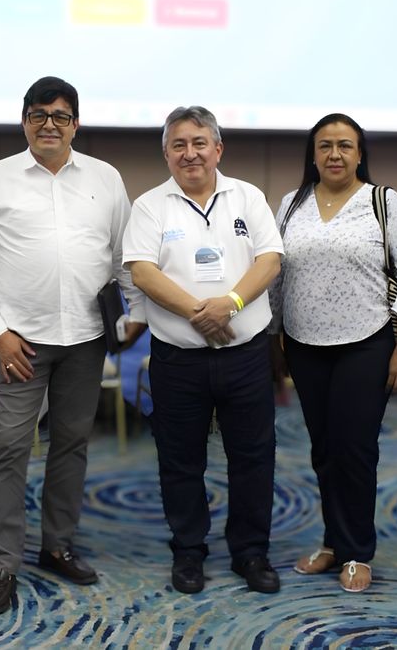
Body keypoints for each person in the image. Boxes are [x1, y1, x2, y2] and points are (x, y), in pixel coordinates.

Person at [0, 76, 146, 614]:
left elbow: (122, 258)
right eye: (39, 115)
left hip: (86, 339)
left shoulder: (105, 179)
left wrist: (135, 316)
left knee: (71, 444)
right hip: (20, 343)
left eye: (61, 116)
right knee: (10, 448)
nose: (49, 125)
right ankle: (0, 564)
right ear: (24, 122)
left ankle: (57, 544)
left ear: (76, 124)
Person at [123, 106, 284, 596]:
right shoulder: (151, 206)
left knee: (253, 457)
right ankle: (189, 552)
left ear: (218, 148)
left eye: (199, 143)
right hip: (179, 359)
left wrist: (230, 304)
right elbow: (142, 272)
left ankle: (250, 553)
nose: (189, 153)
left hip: (246, 355)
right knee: (180, 460)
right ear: (167, 154)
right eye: (178, 145)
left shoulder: (247, 196)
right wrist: (202, 312)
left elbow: (271, 259)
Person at [271, 114, 397, 593]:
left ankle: (358, 551)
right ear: (312, 154)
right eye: (324, 146)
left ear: (360, 154)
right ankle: (334, 542)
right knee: (322, 450)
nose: (334, 154)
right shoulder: (290, 203)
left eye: (344, 146)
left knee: (355, 449)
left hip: (367, 341)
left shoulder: (383, 202)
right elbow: (274, 276)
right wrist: (273, 339)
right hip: (303, 344)